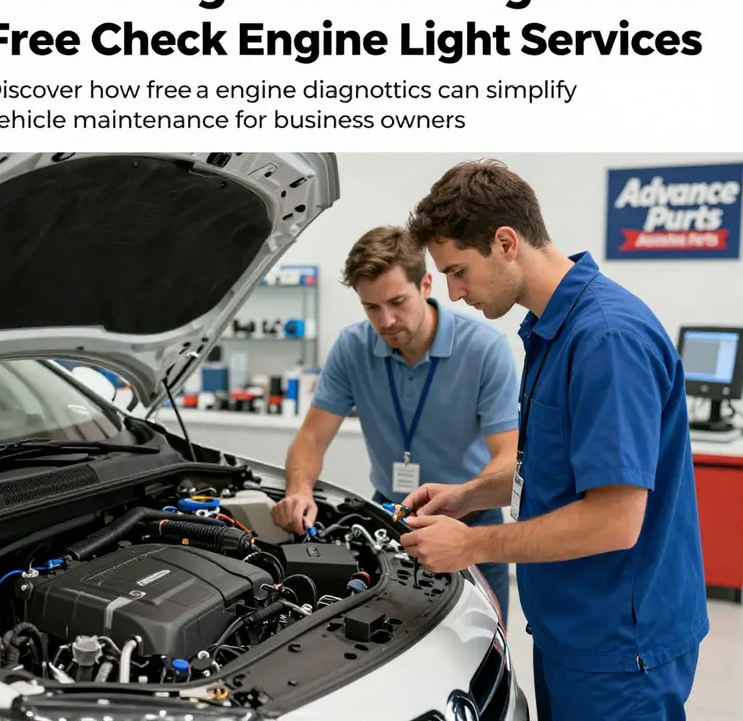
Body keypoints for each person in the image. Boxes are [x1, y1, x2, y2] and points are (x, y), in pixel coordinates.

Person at [399, 159, 709, 721]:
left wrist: (471, 546)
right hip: (571, 629)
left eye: (458, 270)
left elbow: (613, 520)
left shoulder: (606, 340)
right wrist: (469, 495)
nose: (452, 291)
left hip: (619, 648)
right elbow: (549, 467)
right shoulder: (552, 330)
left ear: (505, 242)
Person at [270, 225, 520, 625]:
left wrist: (459, 504)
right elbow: (311, 439)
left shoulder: (485, 349)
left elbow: (507, 457)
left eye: (397, 302)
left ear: (425, 284)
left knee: (478, 642)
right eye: (371, 308)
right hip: (387, 514)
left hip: (470, 521)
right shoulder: (352, 347)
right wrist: (299, 492)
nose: (385, 321)